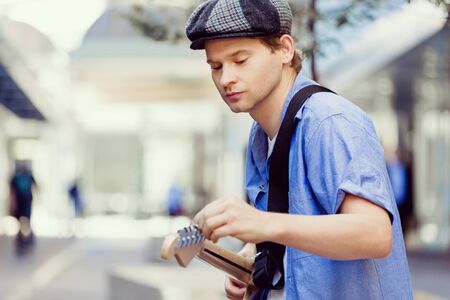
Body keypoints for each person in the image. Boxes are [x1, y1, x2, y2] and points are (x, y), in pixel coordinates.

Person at [185, 1, 413, 299]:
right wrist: (254, 259)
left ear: (284, 49)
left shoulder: (329, 122)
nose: (226, 78)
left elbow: (375, 234)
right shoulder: (261, 134)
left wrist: (262, 224)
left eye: (240, 60)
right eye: (216, 66)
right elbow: (295, 225)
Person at [9, 160, 37, 255]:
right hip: (20, 203)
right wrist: (12, 204)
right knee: (22, 223)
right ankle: (22, 241)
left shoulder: (28, 176)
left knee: (26, 223)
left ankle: (25, 241)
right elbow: (12, 192)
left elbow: (36, 187)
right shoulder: (16, 178)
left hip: (26, 203)